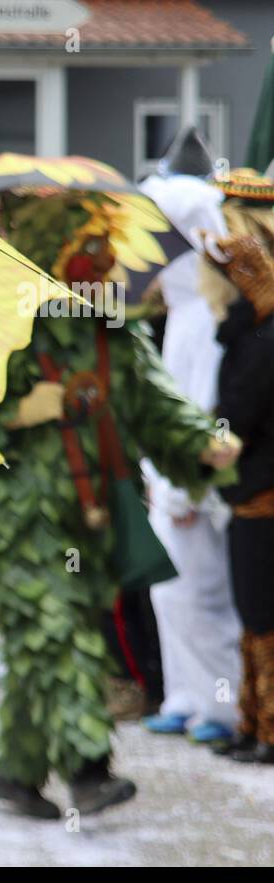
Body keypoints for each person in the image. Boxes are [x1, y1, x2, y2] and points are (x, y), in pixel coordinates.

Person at [0, 192, 238, 819]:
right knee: (55, 632)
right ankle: (89, 767)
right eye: (86, 249)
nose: (103, 265)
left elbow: (150, 394)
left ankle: (15, 773)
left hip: (91, 514)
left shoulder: (110, 326)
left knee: (44, 642)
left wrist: (201, 441)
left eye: (105, 249)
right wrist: (14, 412)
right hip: (17, 520)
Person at [137, 148, 244, 744]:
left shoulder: (208, 315)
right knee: (171, 595)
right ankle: (184, 694)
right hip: (170, 479)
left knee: (203, 595)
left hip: (196, 485)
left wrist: (181, 482)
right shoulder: (183, 311)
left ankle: (220, 704)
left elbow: (200, 411)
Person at [202, 169, 274, 764]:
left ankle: (267, 727)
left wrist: (204, 442)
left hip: (263, 489)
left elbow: (239, 417)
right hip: (251, 489)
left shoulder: (263, 334)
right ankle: (254, 722)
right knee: (252, 608)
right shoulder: (250, 328)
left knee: (262, 609)